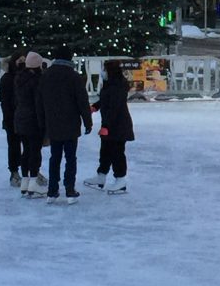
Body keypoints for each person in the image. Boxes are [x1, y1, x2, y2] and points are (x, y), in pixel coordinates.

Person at [38, 49, 93, 201]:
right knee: (70, 157)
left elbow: (39, 101)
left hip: (52, 123)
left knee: (54, 157)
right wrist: (87, 121)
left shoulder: (46, 75)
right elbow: (82, 101)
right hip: (71, 123)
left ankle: (52, 190)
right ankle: (70, 189)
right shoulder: (74, 76)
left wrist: (42, 121)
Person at [94, 58, 135, 192]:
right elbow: (106, 100)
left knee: (117, 152)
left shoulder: (117, 85)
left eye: (105, 69)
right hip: (112, 124)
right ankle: (101, 176)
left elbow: (114, 107)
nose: (103, 72)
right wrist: (95, 106)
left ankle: (120, 179)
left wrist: (106, 126)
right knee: (105, 151)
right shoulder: (110, 83)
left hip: (118, 125)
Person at [12, 51, 46, 195]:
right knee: (35, 151)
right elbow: (38, 104)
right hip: (33, 120)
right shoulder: (37, 81)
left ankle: (25, 181)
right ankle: (33, 181)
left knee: (26, 150)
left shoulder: (19, 78)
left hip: (21, 119)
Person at [0, 56, 21, 190]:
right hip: (11, 118)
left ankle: (30, 170)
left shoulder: (25, 76)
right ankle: (14, 172)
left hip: (25, 117)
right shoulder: (7, 79)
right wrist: (9, 118)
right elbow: (5, 101)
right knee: (14, 145)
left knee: (30, 146)